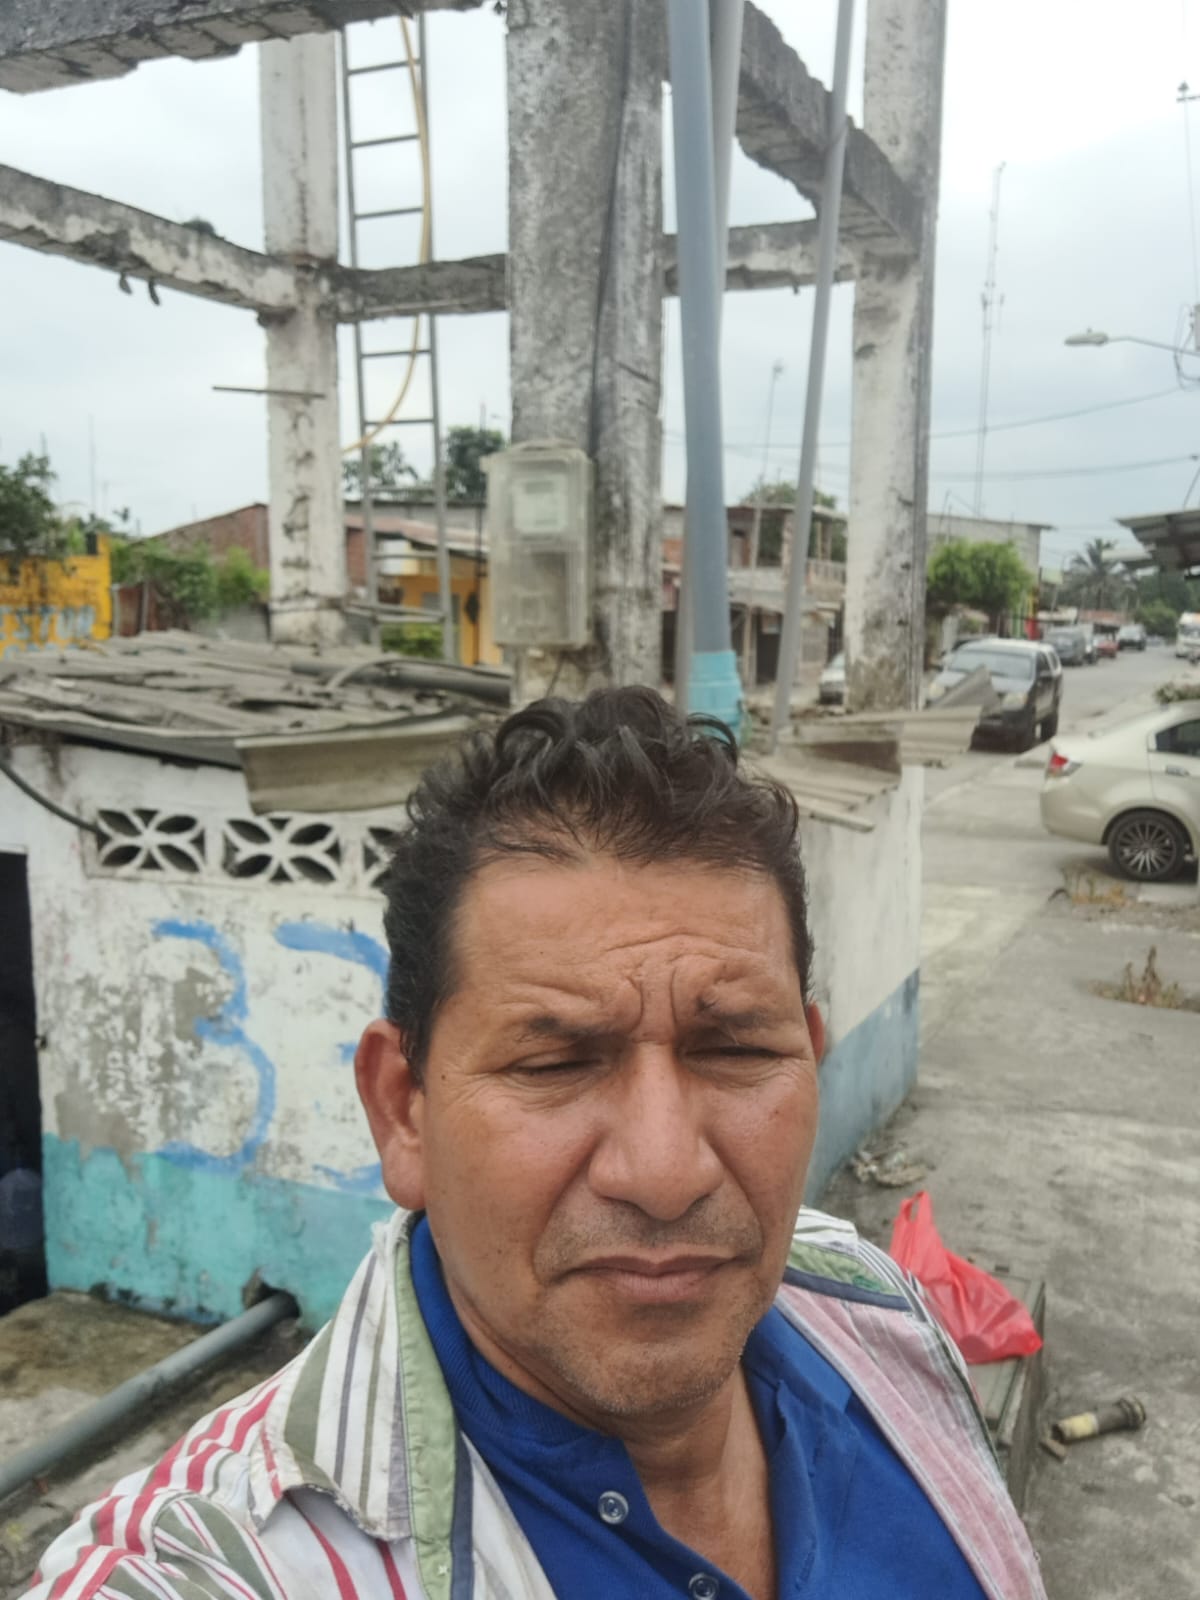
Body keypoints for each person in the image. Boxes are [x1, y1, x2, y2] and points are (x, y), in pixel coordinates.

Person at [28, 689, 1046, 1600]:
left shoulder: (879, 1316)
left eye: (735, 1049)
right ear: (404, 1111)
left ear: (809, 1066)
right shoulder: (220, 1565)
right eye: (556, 1064)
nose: (664, 1171)